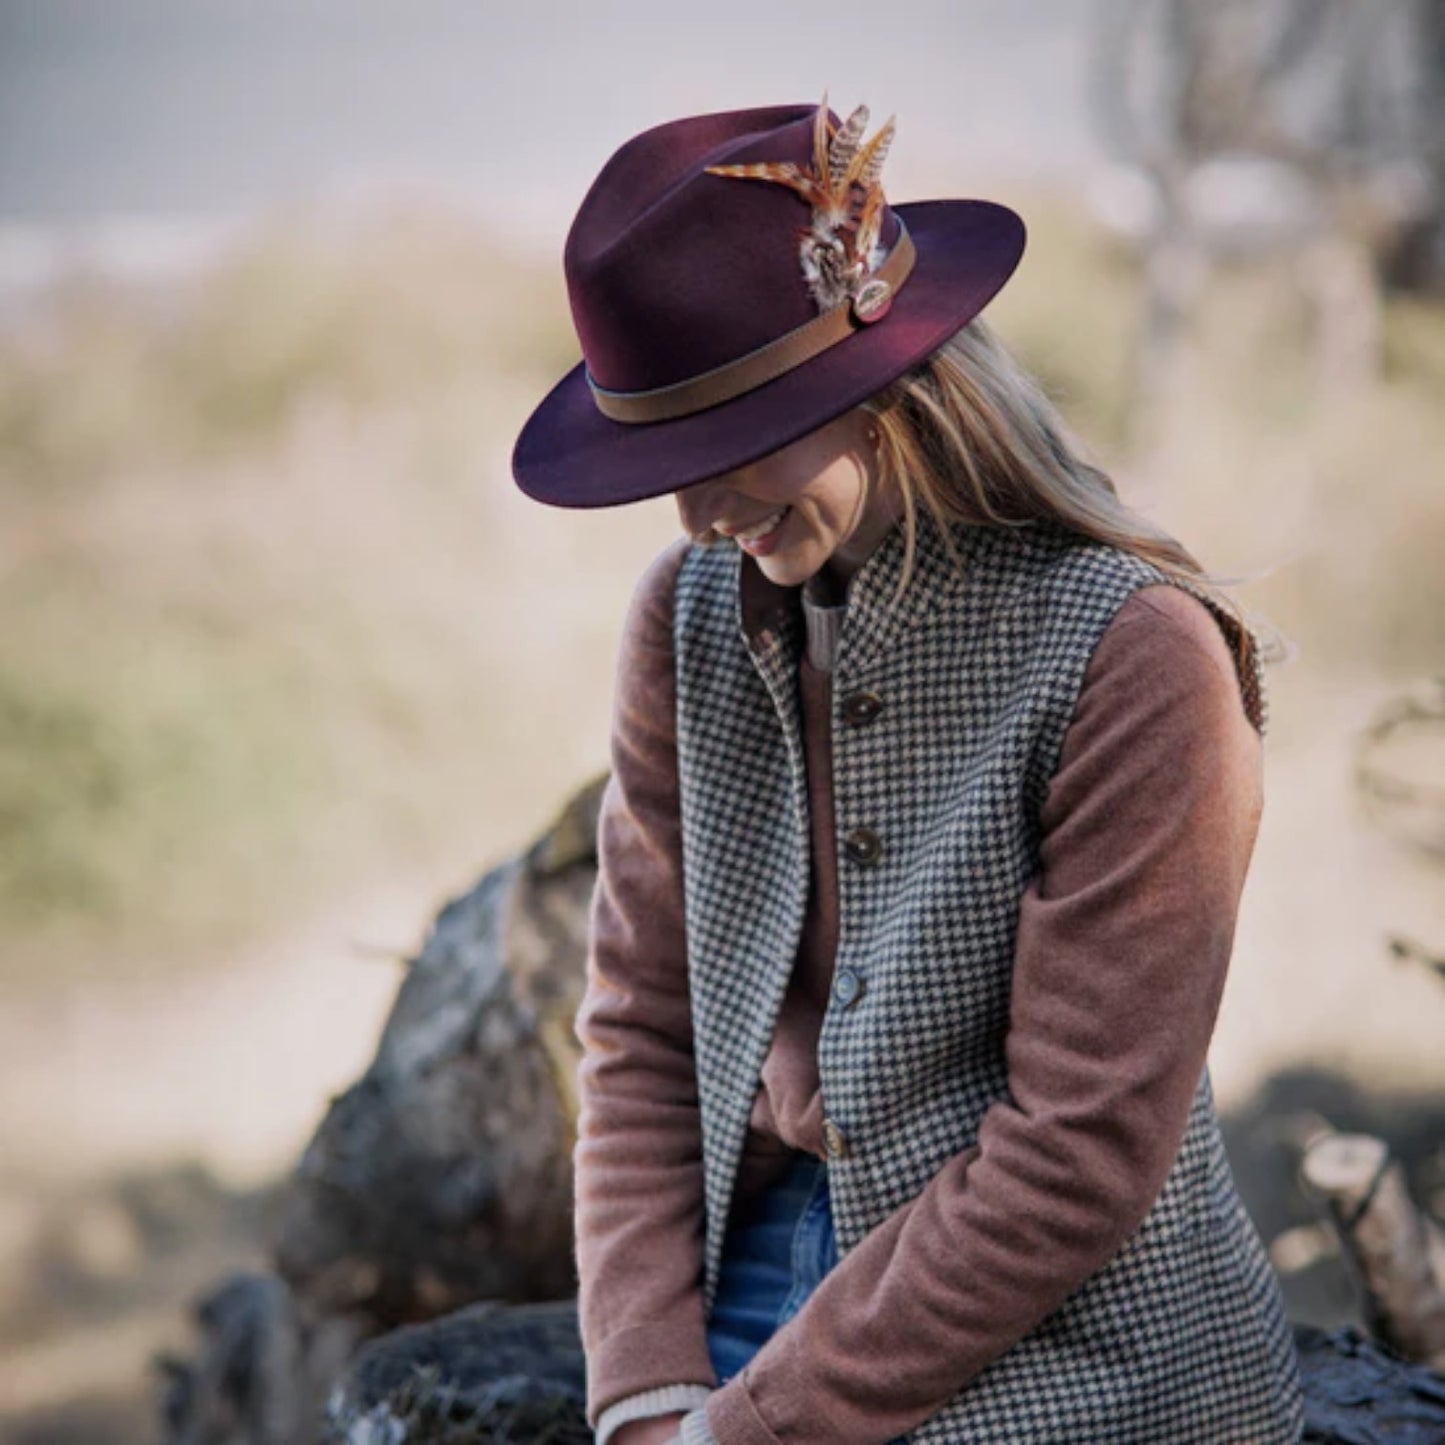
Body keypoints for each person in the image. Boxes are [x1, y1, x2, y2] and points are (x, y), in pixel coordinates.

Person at [511, 97, 1306, 1445]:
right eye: (664, 464)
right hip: (757, 1257)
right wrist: (646, 1387)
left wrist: (745, 1434)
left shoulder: (1133, 656)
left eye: (727, 448)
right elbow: (643, 1029)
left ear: (885, 387)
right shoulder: (686, 620)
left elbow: (1075, 1156)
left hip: (1081, 1343)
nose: (696, 517)